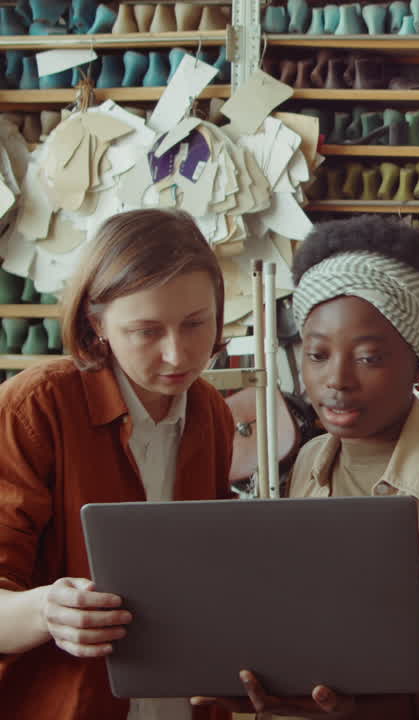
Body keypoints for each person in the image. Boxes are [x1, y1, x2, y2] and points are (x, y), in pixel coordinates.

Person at [194, 216, 419, 719]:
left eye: (369, 358)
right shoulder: (311, 462)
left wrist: (371, 709)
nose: (337, 380)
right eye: (317, 354)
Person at [0, 208, 236, 720]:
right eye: (146, 331)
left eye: (196, 324)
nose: (178, 355)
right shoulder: (36, 407)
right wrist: (47, 611)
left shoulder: (210, 412)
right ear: (96, 323)